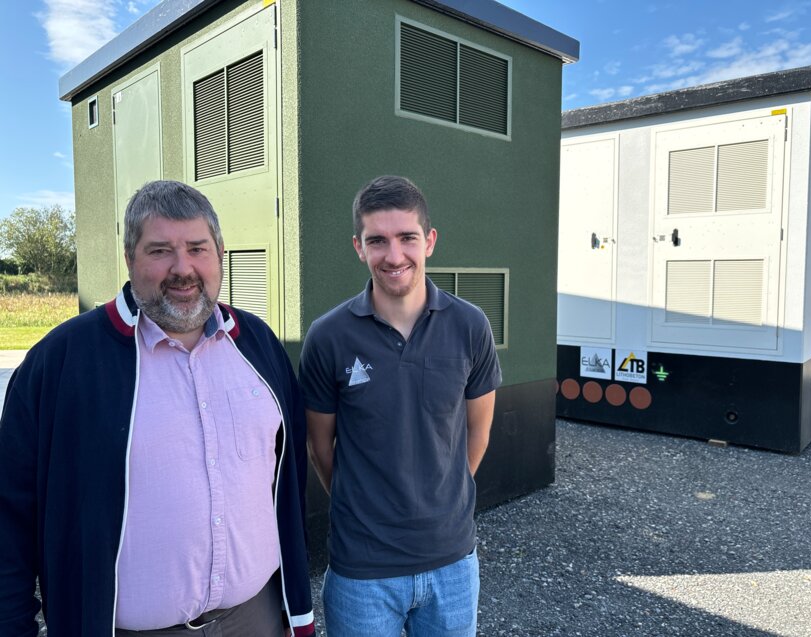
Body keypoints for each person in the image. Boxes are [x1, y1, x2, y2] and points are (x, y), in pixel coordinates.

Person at [0, 180, 315, 637]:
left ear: (220, 254)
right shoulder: (61, 362)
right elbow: (10, 513)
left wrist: (293, 608)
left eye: (197, 248)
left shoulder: (259, 345)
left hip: (256, 618)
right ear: (130, 258)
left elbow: (288, 478)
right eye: (160, 251)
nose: (182, 268)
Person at [299, 175, 502, 636]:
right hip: (361, 573)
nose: (394, 256)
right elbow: (320, 448)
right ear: (359, 247)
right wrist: (364, 507)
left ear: (429, 241)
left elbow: (479, 432)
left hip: (452, 565)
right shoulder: (328, 337)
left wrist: (443, 497)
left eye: (407, 237)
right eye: (377, 241)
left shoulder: (470, 326)